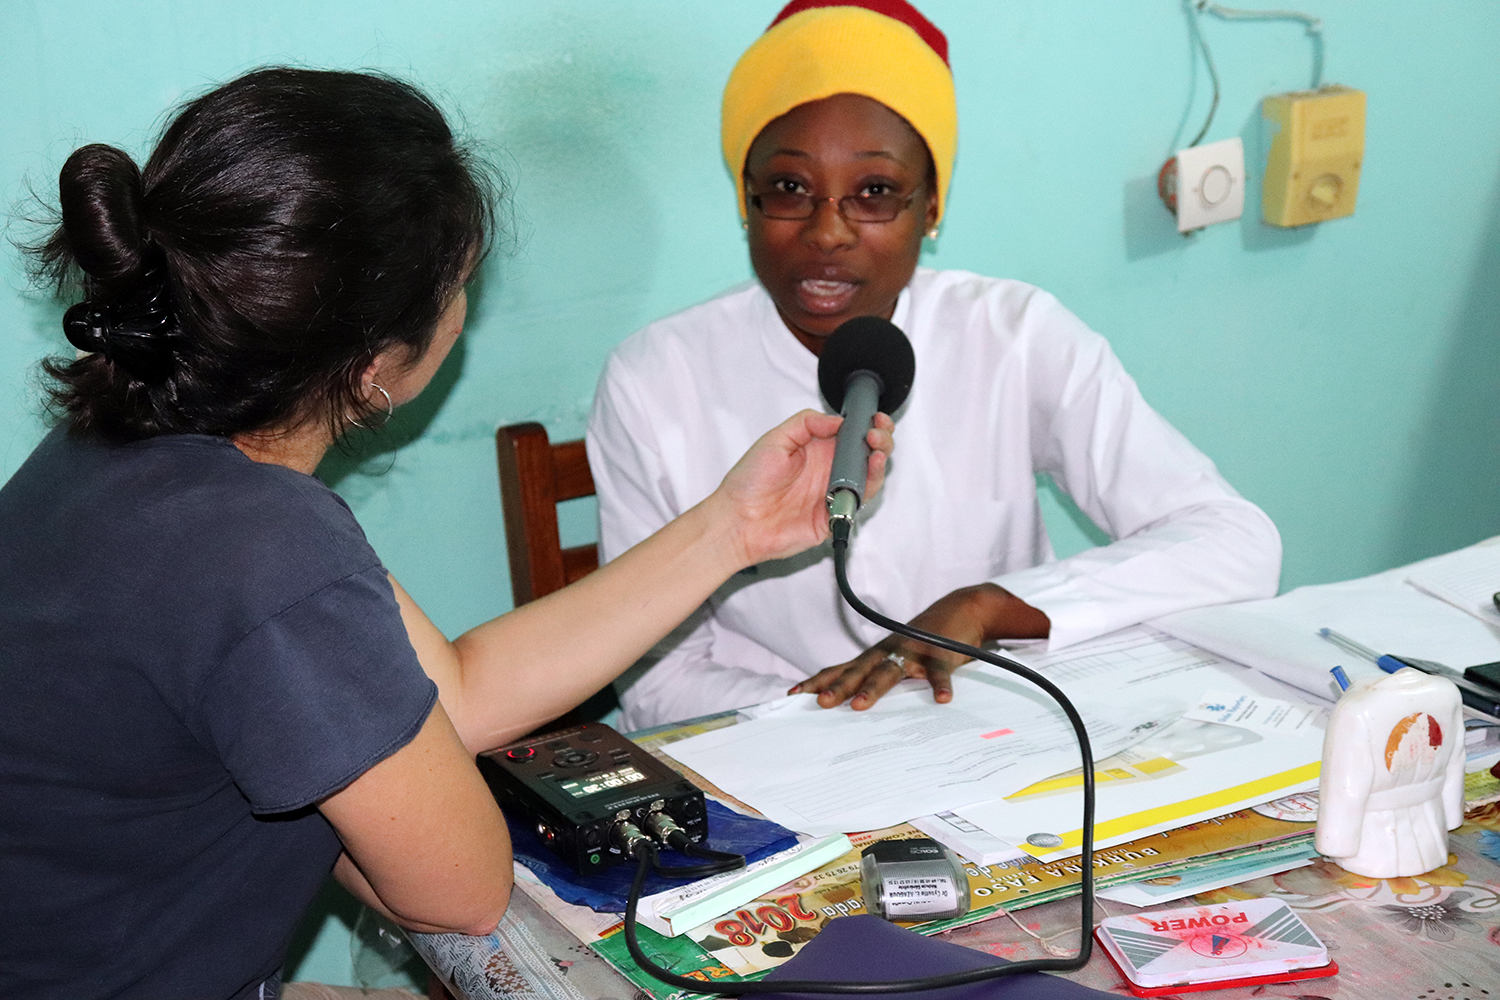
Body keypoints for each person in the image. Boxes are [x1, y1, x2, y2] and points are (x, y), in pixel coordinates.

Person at [0, 68, 891, 1000]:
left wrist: (728, 531)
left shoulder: (121, 454)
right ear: (376, 364)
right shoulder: (262, 545)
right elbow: (459, 891)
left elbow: (450, 692)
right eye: (462, 283)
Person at [587, 0, 1283, 733]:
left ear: (931, 208)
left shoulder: (1013, 335)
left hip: (998, 733)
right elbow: (656, 677)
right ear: (747, 200)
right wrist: (854, 714)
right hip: (784, 750)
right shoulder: (655, 379)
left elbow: (1234, 543)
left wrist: (988, 607)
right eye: (790, 188)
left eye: (876, 193)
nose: (827, 232)